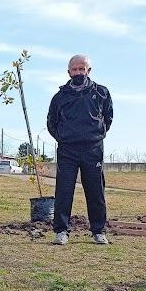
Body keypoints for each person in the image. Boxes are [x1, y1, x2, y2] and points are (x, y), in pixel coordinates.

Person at [47, 54, 113, 245]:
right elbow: (52, 122)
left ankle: (98, 231)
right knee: (64, 191)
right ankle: (61, 231)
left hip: (93, 149)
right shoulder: (59, 97)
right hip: (67, 150)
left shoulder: (101, 93)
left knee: (95, 191)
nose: (78, 72)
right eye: (74, 69)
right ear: (68, 72)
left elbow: (108, 117)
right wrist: (63, 137)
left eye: (81, 69)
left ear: (88, 71)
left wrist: (97, 134)